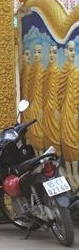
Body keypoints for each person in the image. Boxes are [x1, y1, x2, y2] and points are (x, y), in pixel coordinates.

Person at [59, 40, 78, 188]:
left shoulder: (76, 72)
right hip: (65, 111)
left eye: (74, 50)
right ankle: (69, 173)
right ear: (65, 52)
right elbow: (59, 93)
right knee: (66, 140)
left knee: (74, 141)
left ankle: (75, 173)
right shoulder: (64, 71)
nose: (72, 53)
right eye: (69, 50)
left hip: (74, 112)